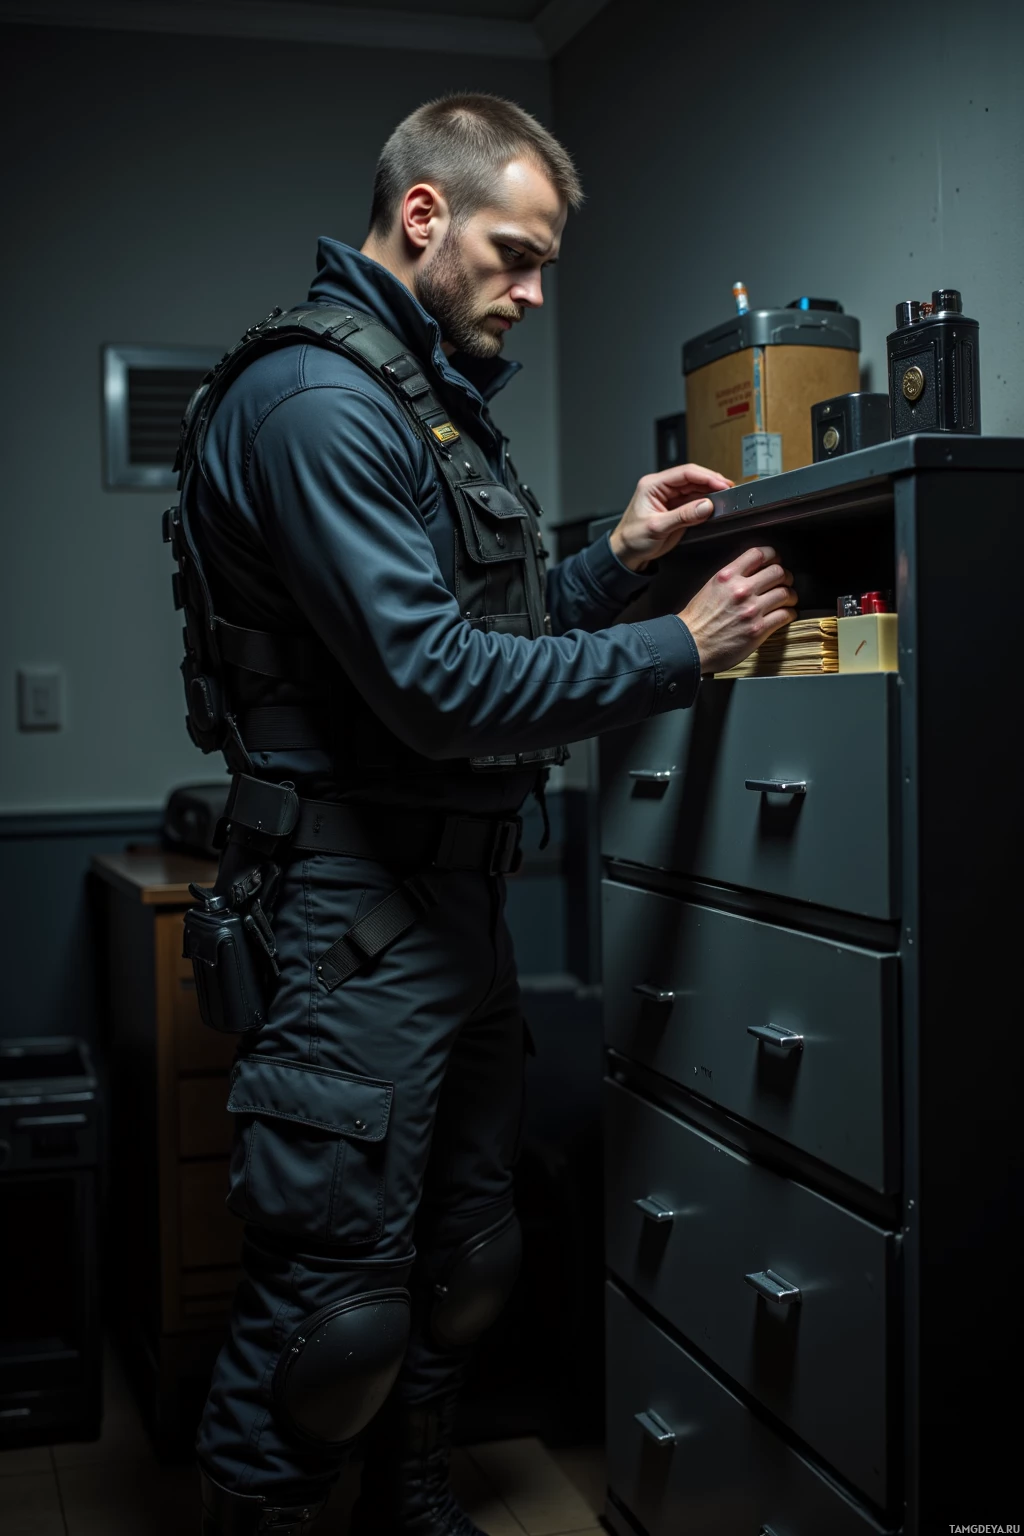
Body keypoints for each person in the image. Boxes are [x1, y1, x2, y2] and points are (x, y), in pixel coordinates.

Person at [182, 93, 797, 1536]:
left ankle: (417, 1513)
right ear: (422, 218)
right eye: (516, 256)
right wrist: (679, 647)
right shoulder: (317, 402)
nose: (530, 293)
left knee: (460, 1267)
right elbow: (436, 688)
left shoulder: (421, 402)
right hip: (352, 925)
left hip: (449, 913)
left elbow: (486, 629)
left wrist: (619, 559)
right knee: (330, 1325)